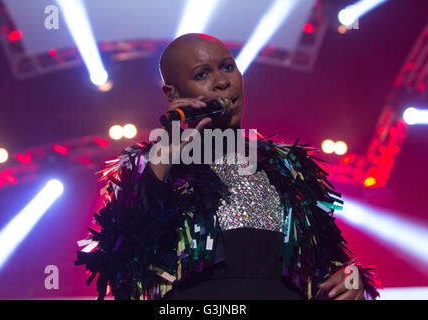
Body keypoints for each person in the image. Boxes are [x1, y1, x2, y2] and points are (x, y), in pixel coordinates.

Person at [75, 33, 380, 300]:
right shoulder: (146, 164)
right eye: (201, 75)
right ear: (173, 94)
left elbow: (326, 266)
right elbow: (121, 254)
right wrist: (167, 154)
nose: (223, 81)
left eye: (227, 67)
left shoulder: (288, 165)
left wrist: (351, 280)